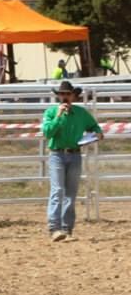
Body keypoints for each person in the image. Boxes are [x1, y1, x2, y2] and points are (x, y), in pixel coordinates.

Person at [41, 81, 103, 242]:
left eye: (68, 94)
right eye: (62, 94)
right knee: (58, 190)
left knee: (70, 193)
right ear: (59, 96)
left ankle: (66, 229)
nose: (65, 97)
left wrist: (97, 134)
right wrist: (58, 116)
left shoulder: (81, 113)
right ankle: (54, 228)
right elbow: (48, 133)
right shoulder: (51, 112)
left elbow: (95, 127)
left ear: (73, 96)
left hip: (75, 155)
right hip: (57, 155)